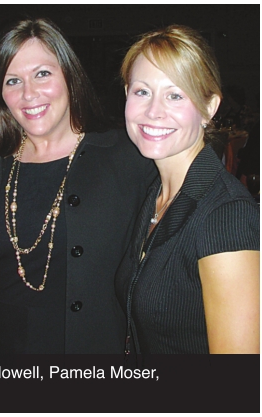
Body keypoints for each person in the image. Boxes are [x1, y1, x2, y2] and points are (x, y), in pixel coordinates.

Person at [0, 18, 157, 354]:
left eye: (42, 74)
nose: (29, 94)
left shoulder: (128, 158)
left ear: (70, 75)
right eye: (13, 80)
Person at [115, 25, 259, 354]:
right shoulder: (156, 194)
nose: (153, 111)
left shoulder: (226, 216)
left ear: (209, 108)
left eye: (175, 95)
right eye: (142, 92)